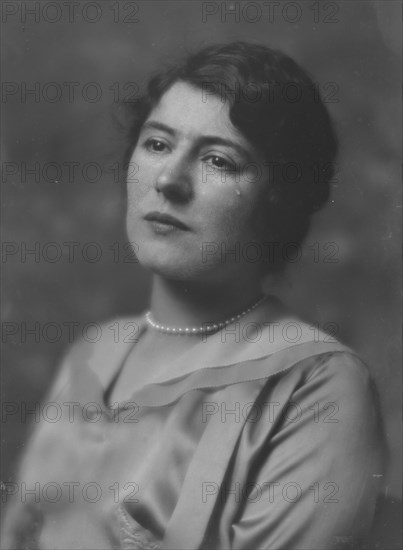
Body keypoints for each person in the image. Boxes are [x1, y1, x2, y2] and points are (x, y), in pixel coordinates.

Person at [2, 41, 385, 550]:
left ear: (280, 195)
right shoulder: (93, 352)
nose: (168, 180)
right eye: (157, 144)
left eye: (219, 161)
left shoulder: (317, 386)